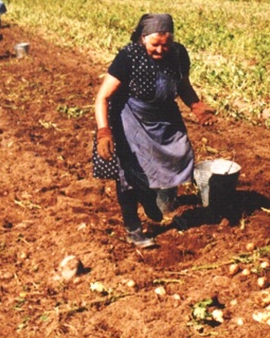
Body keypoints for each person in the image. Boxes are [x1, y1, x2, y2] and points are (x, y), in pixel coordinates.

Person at [92, 13, 216, 248]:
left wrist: (196, 106)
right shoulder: (129, 56)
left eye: (165, 44)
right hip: (130, 118)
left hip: (164, 115)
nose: (161, 50)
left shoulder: (178, 54)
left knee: (179, 155)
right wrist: (104, 131)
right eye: (155, 45)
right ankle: (133, 228)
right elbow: (102, 97)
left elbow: (183, 86)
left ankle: (148, 197)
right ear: (142, 39)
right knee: (129, 174)